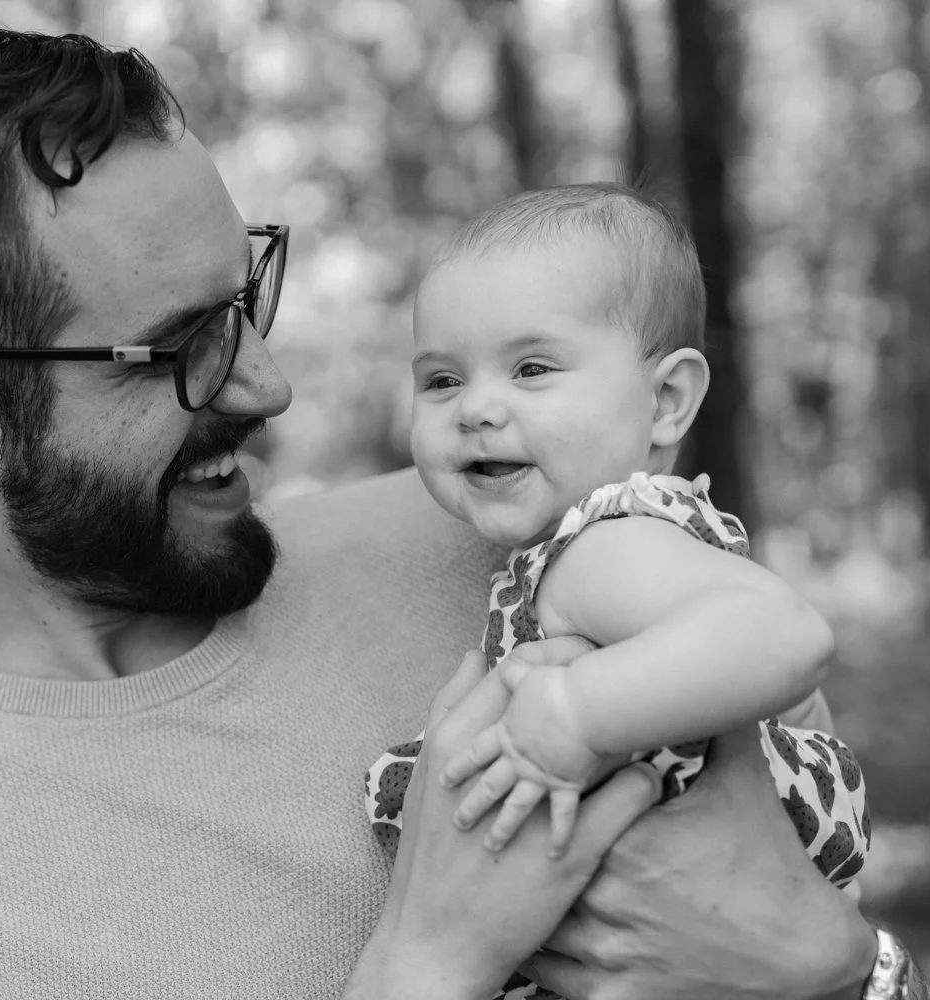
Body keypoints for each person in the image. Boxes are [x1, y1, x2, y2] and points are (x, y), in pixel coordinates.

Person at [0, 23, 923, 1000]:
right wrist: (430, 958)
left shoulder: (516, 546)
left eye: (246, 299)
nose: (265, 385)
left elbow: (830, 909)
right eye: (177, 345)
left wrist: (839, 968)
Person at [362, 185, 871, 1000]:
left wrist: (574, 716)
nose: (477, 408)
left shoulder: (604, 543)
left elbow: (786, 632)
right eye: (442, 380)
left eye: (532, 369)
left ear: (666, 401)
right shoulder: (591, 548)